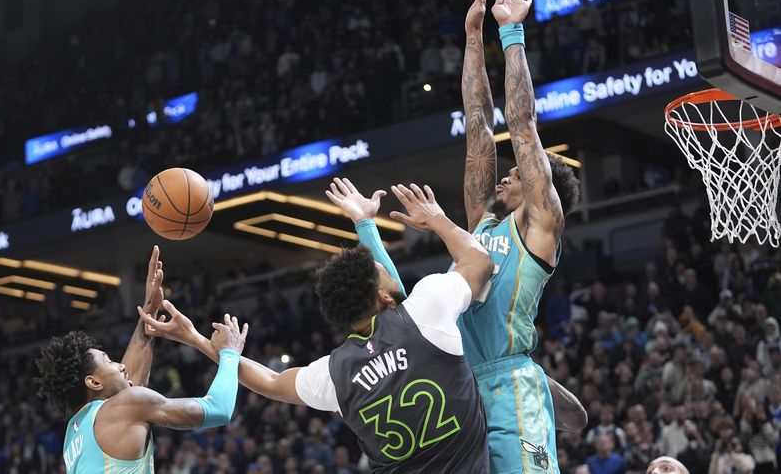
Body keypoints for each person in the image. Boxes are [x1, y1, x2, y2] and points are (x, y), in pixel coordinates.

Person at [140, 183, 494, 473]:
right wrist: (436, 219)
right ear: (385, 297)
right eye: (384, 270)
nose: (387, 267)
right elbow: (478, 261)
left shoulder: (333, 372)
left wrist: (197, 339)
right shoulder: (426, 310)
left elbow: (269, 382)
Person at [323, 175, 587, 433]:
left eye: (517, 176)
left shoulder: (348, 361)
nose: (505, 179)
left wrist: (365, 223)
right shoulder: (429, 303)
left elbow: (391, 293)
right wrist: (436, 220)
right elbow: (478, 262)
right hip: (471, 392)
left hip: (465, 402)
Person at [458, 0, 582, 472]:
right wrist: (473, 38)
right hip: (464, 388)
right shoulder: (483, 224)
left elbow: (521, 123)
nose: (508, 173)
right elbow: (478, 128)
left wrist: (511, 35)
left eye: (519, 172)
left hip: (510, 384)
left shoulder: (539, 229)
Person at [34, 246, 247, 473]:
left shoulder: (74, 432)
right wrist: (229, 353)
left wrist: (150, 308)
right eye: (109, 362)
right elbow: (219, 409)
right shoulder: (125, 406)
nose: (121, 365)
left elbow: (133, 382)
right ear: (94, 382)